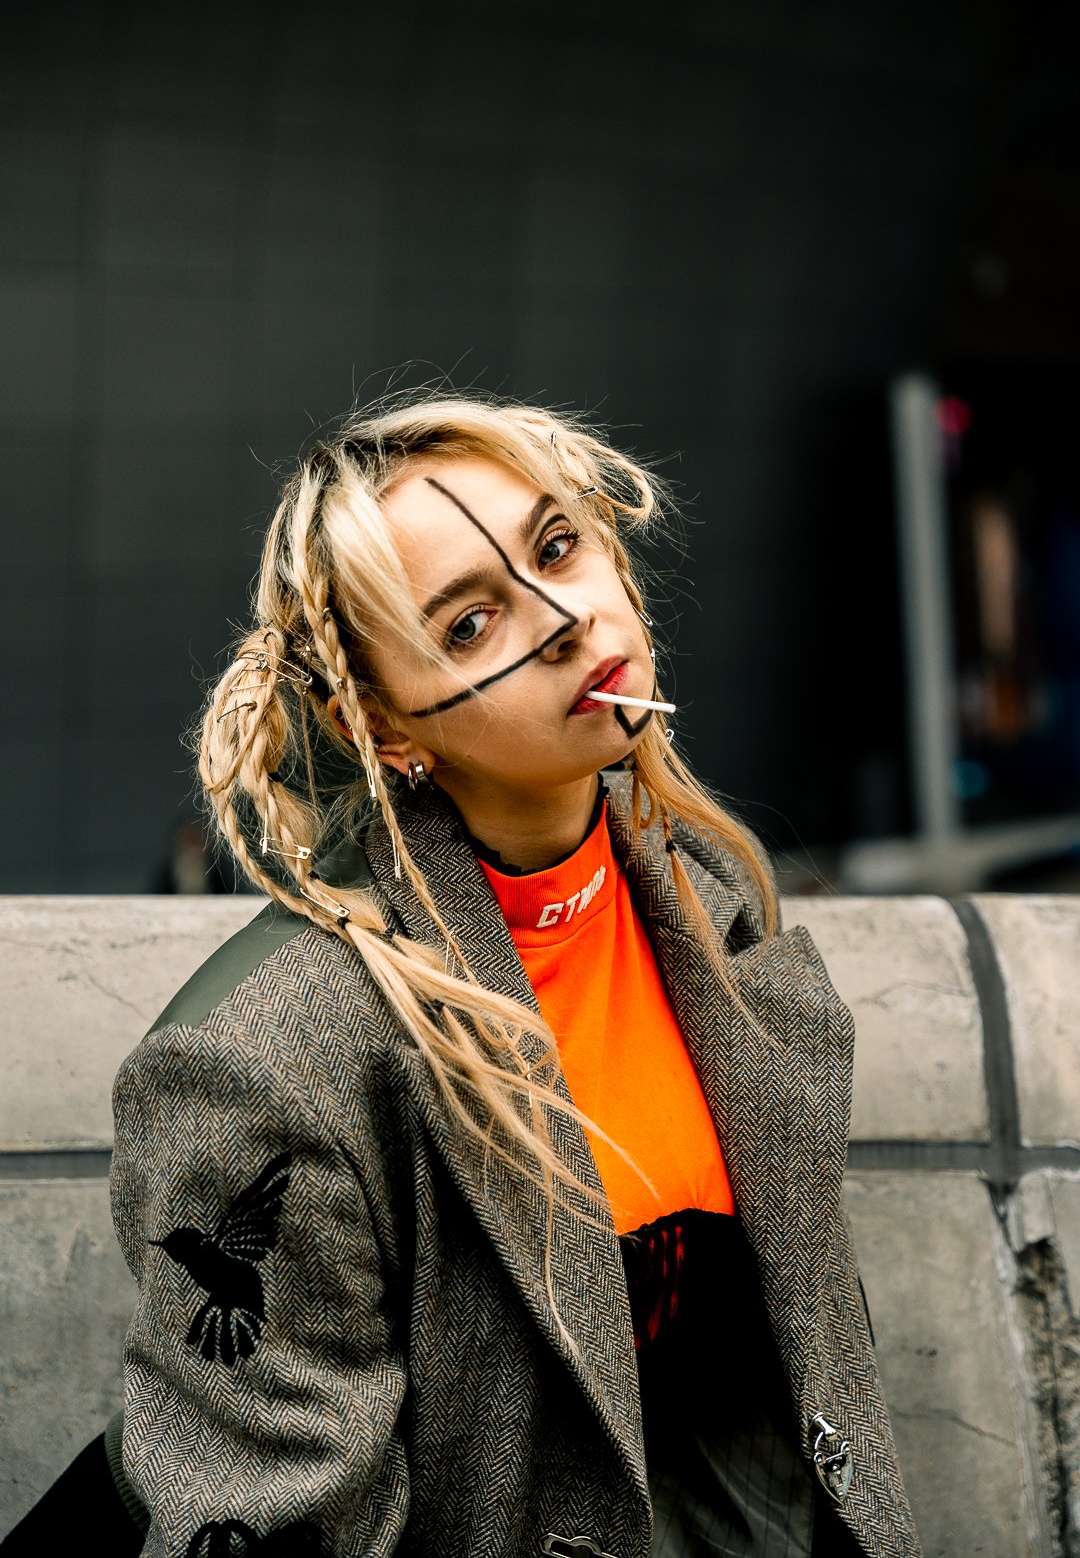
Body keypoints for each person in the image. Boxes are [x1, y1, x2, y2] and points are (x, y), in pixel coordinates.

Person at [8, 397, 921, 1558]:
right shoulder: (265, 1062)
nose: (563, 620)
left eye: (559, 546)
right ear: (386, 728)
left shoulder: (710, 902)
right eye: (472, 623)